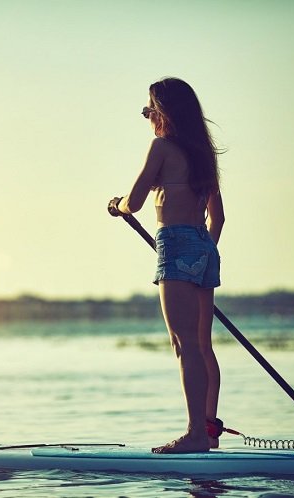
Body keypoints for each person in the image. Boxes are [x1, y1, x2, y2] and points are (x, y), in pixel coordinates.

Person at [108, 77, 225, 453]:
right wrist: (200, 253)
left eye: (148, 111)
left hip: (175, 244)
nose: (147, 119)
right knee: (203, 345)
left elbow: (136, 201)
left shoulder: (161, 147)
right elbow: (218, 219)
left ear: (163, 113)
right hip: (204, 245)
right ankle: (207, 432)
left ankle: (194, 437)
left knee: (183, 343)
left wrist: (117, 205)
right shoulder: (204, 154)